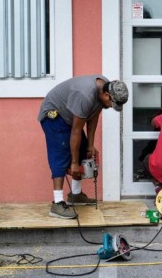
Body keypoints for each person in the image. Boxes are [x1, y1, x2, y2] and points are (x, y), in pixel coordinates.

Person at [37, 75, 128, 219]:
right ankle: (57, 203)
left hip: (71, 117)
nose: (111, 107)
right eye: (113, 104)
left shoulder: (103, 87)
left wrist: (90, 145)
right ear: (106, 95)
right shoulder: (84, 95)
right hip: (55, 115)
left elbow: (93, 117)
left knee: (83, 149)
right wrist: (73, 163)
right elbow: (76, 131)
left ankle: (76, 195)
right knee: (60, 155)